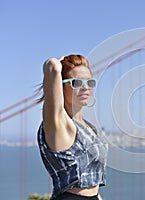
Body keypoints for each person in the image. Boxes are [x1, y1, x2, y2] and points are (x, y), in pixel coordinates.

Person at [36, 54, 108, 200]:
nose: (85, 87)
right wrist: (58, 63)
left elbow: (93, 184)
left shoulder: (89, 127)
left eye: (90, 82)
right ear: (60, 86)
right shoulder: (58, 122)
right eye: (76, 82)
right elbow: (52, 67)